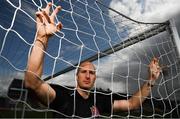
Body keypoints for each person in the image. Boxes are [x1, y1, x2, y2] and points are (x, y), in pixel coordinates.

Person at [24, 2, 161, 118]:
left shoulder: (99, 100)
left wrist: (152, 79)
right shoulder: (62, 95)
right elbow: (32, 83)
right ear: (76, 76)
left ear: (95, 77)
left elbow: (132, 104)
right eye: (83, 72)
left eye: (92, 72)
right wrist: (42, 38)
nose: (88, 75)